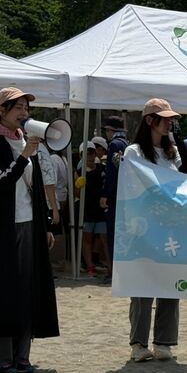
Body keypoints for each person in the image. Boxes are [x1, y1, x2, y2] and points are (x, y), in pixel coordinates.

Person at [0, 87, 59, 373]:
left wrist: (44, 224)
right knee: (1, 288)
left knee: (27, 289)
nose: (24, 113)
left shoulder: (24, 140)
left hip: (28, 223)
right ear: (1, 111)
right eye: (17, 107)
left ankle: (22, 353)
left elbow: (37, 188)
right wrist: (24, 156)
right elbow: (1, 179)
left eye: (25, 107)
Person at [126, 98, 183, 362]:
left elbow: (180, 185)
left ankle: (164, 341)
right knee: (142, 285)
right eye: (166, 118)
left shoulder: (172, 153)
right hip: (143, 227)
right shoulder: (134, 152)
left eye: (172, 118)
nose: (171, 122)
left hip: (170, 227)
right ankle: (138, 344)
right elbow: (136, 187)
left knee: (170, 284)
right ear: (150, 120)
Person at [99, 115, 128, 274]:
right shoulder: (127, 144)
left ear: (111, 130)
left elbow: (111, 172)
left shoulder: (114, 145)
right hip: (125, 194)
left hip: (115, 195)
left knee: (113, 235)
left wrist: (105, 194)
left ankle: (114, 271)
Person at [80, 140, 109, 278]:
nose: (89, 155)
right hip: (86, 211)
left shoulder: (102, 169)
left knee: (104, 239)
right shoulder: (79, 171)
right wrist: (78, 186)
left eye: (91, 152)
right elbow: (76, 195)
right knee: (87, 240)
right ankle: (90, 267)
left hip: (100, 211)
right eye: (85, 153)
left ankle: (110, 267)